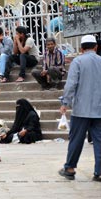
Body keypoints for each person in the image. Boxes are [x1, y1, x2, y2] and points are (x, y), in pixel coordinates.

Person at [58, 35, 101, 182]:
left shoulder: (78, 61)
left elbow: (71, 85)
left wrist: (65, 103)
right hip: (99, 110)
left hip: (81, 109)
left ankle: (70, 168)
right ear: (96, 47)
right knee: (99, 141)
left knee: (76, 139)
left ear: (81, 49)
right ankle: (99, 172)